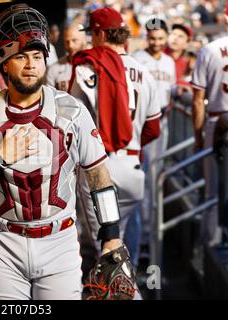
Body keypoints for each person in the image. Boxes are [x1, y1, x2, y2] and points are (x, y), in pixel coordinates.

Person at [0, 4, 135, 300]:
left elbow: (98, 175)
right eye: (20, 56)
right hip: (3, 241)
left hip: (59, 240)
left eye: (37, 56)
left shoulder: (72, 111)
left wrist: (111, 234)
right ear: (3, 62)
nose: (30, 64)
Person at [69, 8, 160, 270]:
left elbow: (73, 126)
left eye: (92, 34)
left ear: (99, 33)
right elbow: (153, 129)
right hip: (132, 167)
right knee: (121, 248)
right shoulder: (144, 71)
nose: (90, 40)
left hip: (99, 169)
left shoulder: (86, 68)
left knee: (106, 253)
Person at [132, 19, 176, 257]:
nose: (157, 43)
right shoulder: (138, 58)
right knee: (146, 180)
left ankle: (150, 235)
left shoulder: (169, 61)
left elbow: (170, 91)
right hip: (144, 126)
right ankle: (145, 236)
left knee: (156, 178)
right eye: (153, 38)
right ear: (146, 36)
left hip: (164, 123)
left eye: (160, 38)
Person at [191, 0, 228, 245]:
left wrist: (198, 137)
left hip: (216, 122)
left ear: (225, 19)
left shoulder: (210, 49)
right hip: (220, 121)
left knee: (213, 191)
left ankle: (212, 247)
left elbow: (197, 100)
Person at [45, 23, 86, 92]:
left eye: (74, 40)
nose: (70, 45)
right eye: (67, 41)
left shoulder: (93, 66)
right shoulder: (54, 69)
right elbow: (49, 99)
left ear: (84, 40)